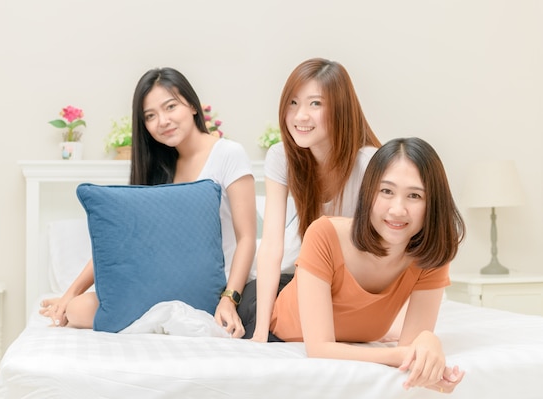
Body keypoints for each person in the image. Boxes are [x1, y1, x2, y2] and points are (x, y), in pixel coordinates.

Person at [40, 67, 256, 338]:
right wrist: (68, 294)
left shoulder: (228, 154)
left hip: (212, 285)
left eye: (170, 107)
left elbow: (247, 237)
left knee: (83, 309)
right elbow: (123, 244)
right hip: (159, 280)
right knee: (77, 309)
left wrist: (229, 298)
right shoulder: (158, 168)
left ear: (192, 105)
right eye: (150, 116)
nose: (162, 121)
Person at [270, 137, 466, 393]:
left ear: (433, 204)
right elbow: (318, 349)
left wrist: (430, 342)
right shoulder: (324, 233)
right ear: (369, 193)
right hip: (276, 316)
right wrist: (398, 355)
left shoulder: (432, 254)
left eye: (415, 196)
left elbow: (411, 350)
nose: (398, 209)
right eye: (386, 191)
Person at [239, 58, 380, 341]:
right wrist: (259, 334)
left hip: (353, 285)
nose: (300, 116)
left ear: (340, 108)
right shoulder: (281, 157)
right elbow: (271, 247)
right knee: (251, 304)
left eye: (315, 104)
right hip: (304, 280)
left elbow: (386, 251)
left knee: (316, 308)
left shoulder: (370, 164)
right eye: (293, 103)